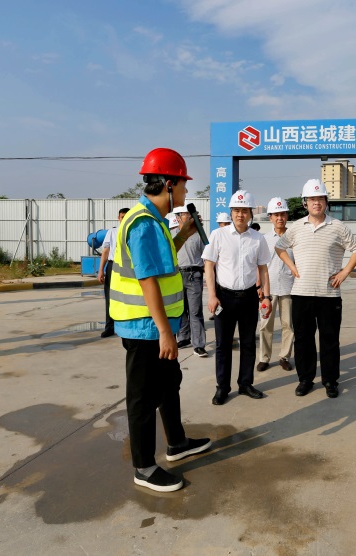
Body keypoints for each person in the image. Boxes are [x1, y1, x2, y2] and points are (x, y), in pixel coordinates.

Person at [109, 147, 211, 493]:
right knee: (141, 397)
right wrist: (166, 332)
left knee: (169, 383)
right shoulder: (143, 223)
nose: (185, 191)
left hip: (157, 325)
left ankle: (177, 443)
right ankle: (144, 467)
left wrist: (186, 233)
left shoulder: (154, 221)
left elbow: (162, 260)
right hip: (145, 327)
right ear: (169, 184)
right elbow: (147, 279)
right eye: (183, 184)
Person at [275, 179, 356, 398]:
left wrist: (344, 272)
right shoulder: (296, 227)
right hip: (301, 293)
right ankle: (305, 379)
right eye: (312, 199)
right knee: (303, 339)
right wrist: (292, 267)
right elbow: (280, 247)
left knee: (329, 340)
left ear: (326, 202)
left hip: (329, 294)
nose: (316, 203)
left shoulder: (338, 226)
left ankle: (330, 380)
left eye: (320, 199)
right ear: (305, 202)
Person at [203, 190, 271, 405]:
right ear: (231, 212)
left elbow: (263, 269)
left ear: (251, 213)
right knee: (223, 345)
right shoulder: (218, 235)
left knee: (248, 343)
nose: (240, 215)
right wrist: (212, 295)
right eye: (236, 210)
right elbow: (209, 266)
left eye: (244, 211)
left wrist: (266, 297)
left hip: (249, 297)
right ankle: (222, 387)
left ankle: (246, 383)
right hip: (224, 297)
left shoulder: (258, 239)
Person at [257, 197, 295, 372]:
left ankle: (284, 356)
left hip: (289, 287)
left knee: (288, 325)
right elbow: (259, 265)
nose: (280, 218)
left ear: (287, 216)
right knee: (265, 325)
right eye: (276, 215)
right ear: (270, 217)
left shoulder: (294, 237)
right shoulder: (264, 239)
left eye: (283, 214)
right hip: (268, 290)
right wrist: (259, 286)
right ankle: (264, 358)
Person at [172, 206, 208, 358]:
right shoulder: (172, 234)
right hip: (176, 275)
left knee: (195, 311)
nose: (189, 216)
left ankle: (199, 345)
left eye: (190, 213)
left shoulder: (199, 234)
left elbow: (206, 255)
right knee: (180, 310)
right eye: (185, 214)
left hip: (194, 275)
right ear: (178, 217)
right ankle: (183, 337)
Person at [98, 207, 129, 338]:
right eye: (122, 217)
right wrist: (101, 270)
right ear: (118, 218)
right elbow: (105, 252)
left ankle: (126, 326)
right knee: (110, 297)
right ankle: (109, 327)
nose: (124, 219)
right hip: (113, 266)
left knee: (127, 297)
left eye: (127, 217)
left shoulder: (133, 231)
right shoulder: (112, 232)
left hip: (128, 267)